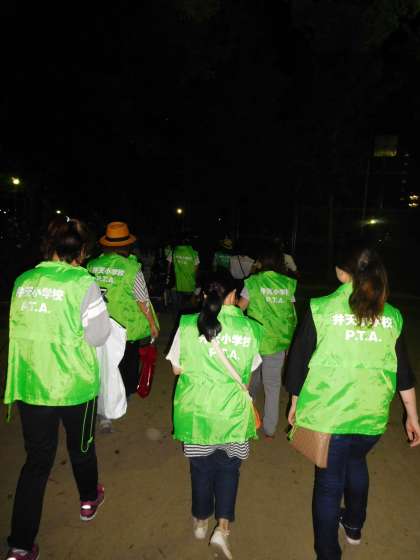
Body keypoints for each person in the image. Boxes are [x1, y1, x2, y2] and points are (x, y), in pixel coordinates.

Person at [285, 243, 420, 560]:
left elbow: (298, 362)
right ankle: (354, 527)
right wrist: (412, 416)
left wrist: (294, 402)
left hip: (330, 417)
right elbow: (403, 371)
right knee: (356, 462)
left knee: (329, 483)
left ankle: (328, 553)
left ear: (341, 272)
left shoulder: (321, 309)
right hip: (371, 418)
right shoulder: (392, 316)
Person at [4, 216, 111, 560]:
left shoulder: (23, 281)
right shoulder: (83, 283)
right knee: (81, 448)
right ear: (80, 251)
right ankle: (88, 500)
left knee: (36, 461)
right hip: (74, 385)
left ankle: (20, 546)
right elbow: (98, 335)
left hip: (32, 384)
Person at [166, 271, 262, 560]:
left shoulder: (187, 325)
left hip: (197, 416)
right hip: (232, 417)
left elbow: (177, 369)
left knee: (200, 469)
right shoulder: (251, 329)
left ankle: (200, 521)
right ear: (233, 296)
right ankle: (223, 527)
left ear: (205, 295)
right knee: (229, 470)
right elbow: (248, 376)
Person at [88, 221, 159, 431]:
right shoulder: (132, 269)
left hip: (97, 326)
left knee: (101, 368)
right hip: (125, 329)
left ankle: (102, 412)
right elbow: (142, 300)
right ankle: (118, 402)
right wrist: (152, 324)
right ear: (127, 245)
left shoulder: (91, 265)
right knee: (125, 368)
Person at [239, 242, 297, 437]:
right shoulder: (288, 283)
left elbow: (240, 308)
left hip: (255, 341)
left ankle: (248, 419)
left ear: (261, 261)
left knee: (250, 381)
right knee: (272, 386)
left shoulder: (253, 282)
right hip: (277, 342)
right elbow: (291, 315)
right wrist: (289, 343)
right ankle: (270, 428)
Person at [166, 234, 199, 316]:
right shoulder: (194, 253)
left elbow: (169, 267)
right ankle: (185, 321)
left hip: (175, 284)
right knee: (188, 308)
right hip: (189, 285)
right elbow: (195, 270)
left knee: (176, 306)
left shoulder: (173, 251)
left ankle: (177, 320)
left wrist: (168, 277)